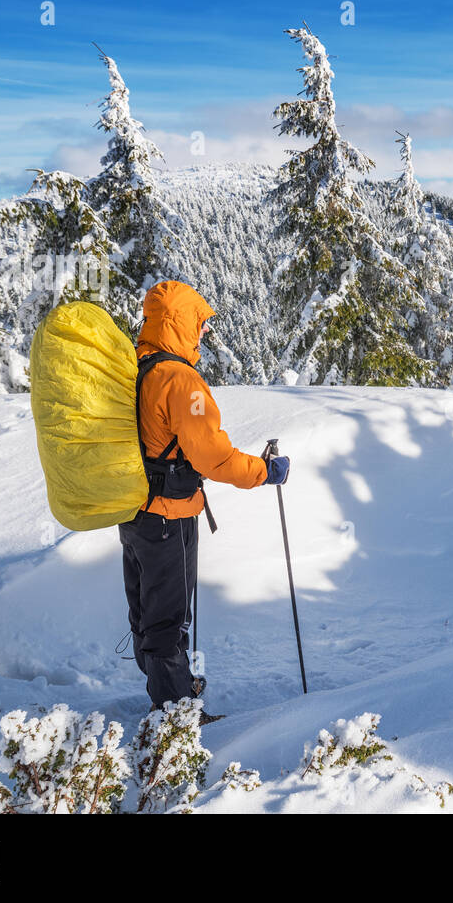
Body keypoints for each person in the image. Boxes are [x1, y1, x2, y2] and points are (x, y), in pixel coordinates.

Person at [120, 280, 289, 720]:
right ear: (179, 323)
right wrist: (263, 472)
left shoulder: (136, 366)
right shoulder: (180, 380)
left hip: (132, 511)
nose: (204, 333)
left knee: (147, 608)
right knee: (169, 615)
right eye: (199, 323)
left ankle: (169, 685)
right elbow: (213, 457)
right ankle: (176, 715)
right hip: (168, 517)